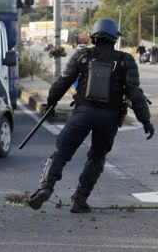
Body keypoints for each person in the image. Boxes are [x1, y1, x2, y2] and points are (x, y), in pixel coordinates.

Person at [27, 18, 154, 213]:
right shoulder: (125, 60)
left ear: (94, 36)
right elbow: (135, 93)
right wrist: (145, 120)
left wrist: (50, 103)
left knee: (62, 152)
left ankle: (45, 187)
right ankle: (80, 200)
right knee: (96, 158)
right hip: (109, 118)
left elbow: (63, 82)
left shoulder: (82, 56)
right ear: (115, 38)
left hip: (83, 113)